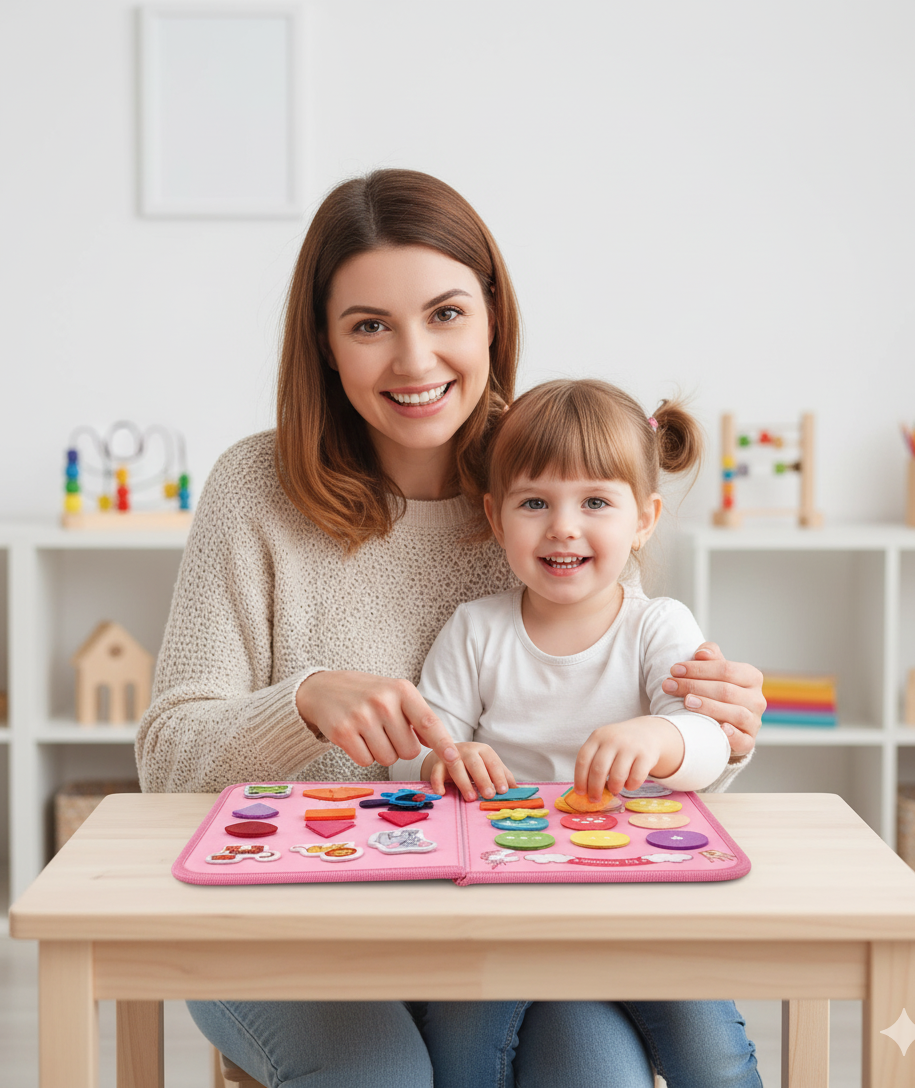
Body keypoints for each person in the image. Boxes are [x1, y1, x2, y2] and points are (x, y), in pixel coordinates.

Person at [136, 168, 766, 1088]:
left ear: (492, 319)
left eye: (445, 314)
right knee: (382, 1076)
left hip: (510, 911)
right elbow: (166, 761)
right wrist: (301, 704)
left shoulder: (549, 473)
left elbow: (629, 703)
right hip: (289, 916)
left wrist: (721, 727)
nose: (414, 360)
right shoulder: (255, 489)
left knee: (601, 1075)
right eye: (369, 326)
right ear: (324, 344)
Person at [391, 378, 761, 1087]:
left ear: (644, 519)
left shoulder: (659, 625)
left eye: (595, 502)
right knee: (462, 1055)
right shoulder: (475, 630)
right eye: (535, 503)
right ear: (496, 517)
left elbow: (713, 742)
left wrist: (660, 737)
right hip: (500, 901)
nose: (563, 527)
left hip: (639, 899)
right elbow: (413, 758)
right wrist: (447, 761)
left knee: (712, 1055)